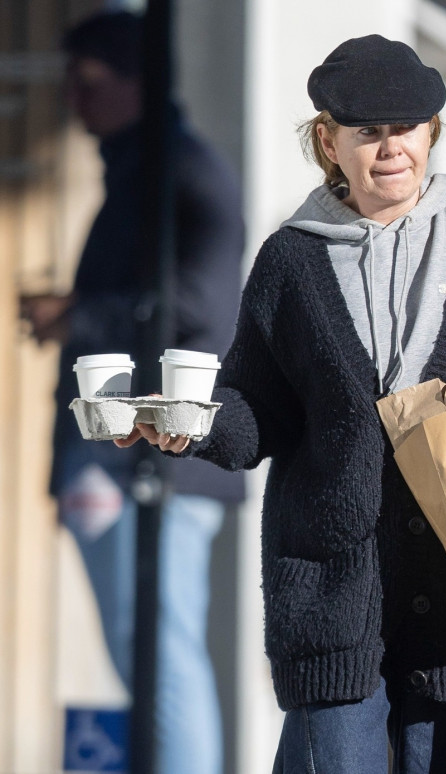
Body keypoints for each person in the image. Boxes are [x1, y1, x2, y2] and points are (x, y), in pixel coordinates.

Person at [116, 34, 446, 774]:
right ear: (329, 141)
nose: (392, 149)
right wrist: (189, 426)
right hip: (331, 593)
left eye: (408, 129)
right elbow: (257, 410)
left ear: (433, 132)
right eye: (368, 132)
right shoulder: (289, 261)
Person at [19, 11, 245, 774]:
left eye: (88, 84)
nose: (73, 104)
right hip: (131, 457)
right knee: (145, 652)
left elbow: (193, 304)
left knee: (161, 655)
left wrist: (77, 313)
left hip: (154, 459)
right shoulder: (146, 172)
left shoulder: (177, 172)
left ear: (139, 82)